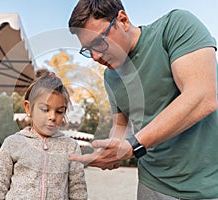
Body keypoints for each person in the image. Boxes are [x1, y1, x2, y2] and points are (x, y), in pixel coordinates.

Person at [68, 0, 218, 199]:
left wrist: (133, 146)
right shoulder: (110, 77)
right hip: (152, 185)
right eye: (87, 50)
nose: (95, 56)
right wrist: (112, 150)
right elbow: (121, 126)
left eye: (98, 42)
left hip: (208, 184)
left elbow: (202, 96)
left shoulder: (175, 26)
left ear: (123, 20)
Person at [0, 71, 87, 199]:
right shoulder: (13, 143)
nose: (52, 117)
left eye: (59, 111)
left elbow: (78, 191)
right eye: (45, 109)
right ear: (28, 108)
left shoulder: (71, 147)